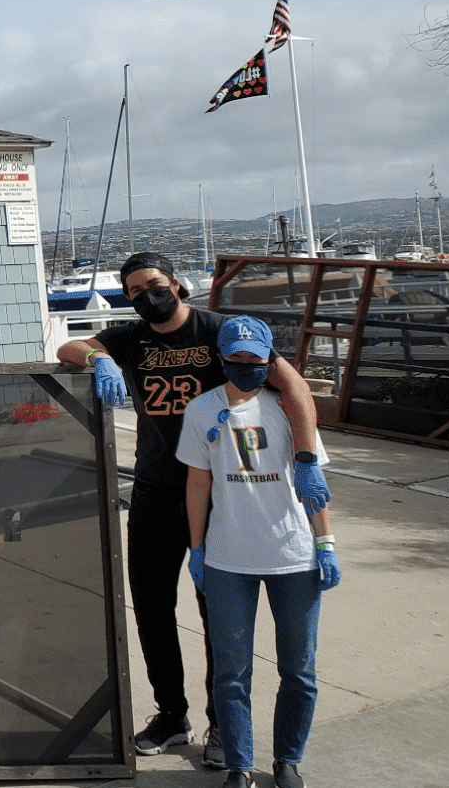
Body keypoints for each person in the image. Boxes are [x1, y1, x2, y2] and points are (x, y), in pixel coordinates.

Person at [56, 251, 328, 770]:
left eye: (153, 284)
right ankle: (170, 714)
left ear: (176, 283)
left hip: (221, 493)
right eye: (133, 292)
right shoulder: (127, 339)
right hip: (157, 489)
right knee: (152, 608)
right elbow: (71, 345)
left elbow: (292, 384)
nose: (145, 296)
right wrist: (100, 359)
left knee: (218, 617)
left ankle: (224, 726)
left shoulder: (218, 330)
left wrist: (307, 457)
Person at [178, 316, 341, 788]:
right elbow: (197, 483)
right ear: (222, 357)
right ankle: (239, 765)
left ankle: (288, 760)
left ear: (270, 359)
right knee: (231, 673)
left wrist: (325, 544)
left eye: (255, 358)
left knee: (299, 669)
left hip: (294, 556)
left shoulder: (292, 411)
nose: (245, 365)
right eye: (236, 357)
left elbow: (316, 489)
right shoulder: (202, 411)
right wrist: (197, 549)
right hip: (230, 559)